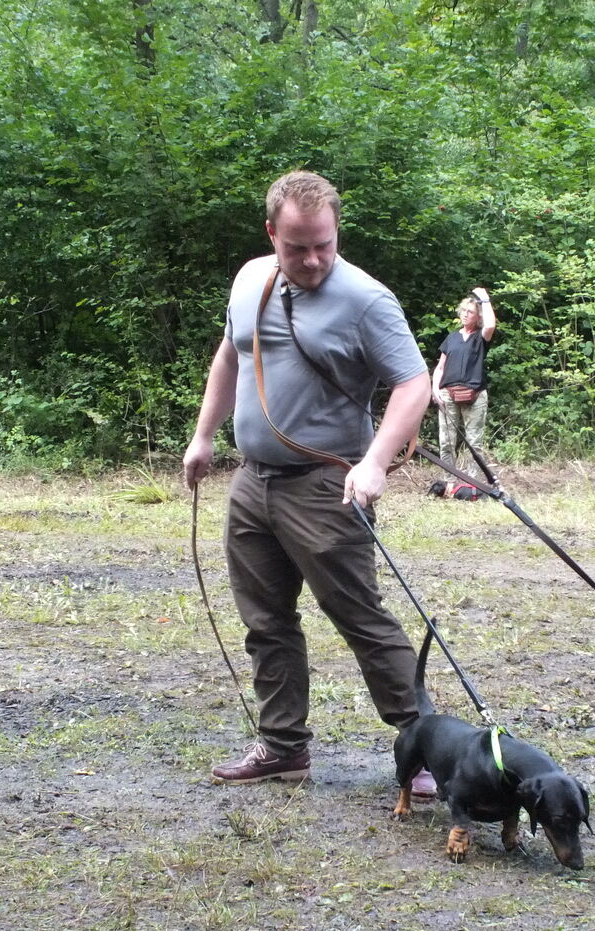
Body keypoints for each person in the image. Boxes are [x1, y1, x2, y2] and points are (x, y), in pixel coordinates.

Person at [182, 171, 437, 790]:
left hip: (326, 487)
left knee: (361, 620)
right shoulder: (249, 281)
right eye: (297, 247)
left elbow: (413, 384)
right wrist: (204, 434)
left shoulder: (366, 299)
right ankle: (282, 746)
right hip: (253, 483)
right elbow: (231, 353)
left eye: (324, 243)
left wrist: (375, 462)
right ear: (272, 234)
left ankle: (427, 751)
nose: (314, 258)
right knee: (265, 621)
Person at [430, 288, 497, 490]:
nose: (465, 314)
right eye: (464, 310)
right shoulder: (451, 338)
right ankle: (449, 482)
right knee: (446, 442)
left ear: (478, 316)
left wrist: (484, 299)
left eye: (470, 311)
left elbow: (491, 324)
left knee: (474, 443)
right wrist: (435, 389)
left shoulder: (481, 336)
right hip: (447, 394)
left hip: (475, 395)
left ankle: (472, 483)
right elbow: (440, 367)